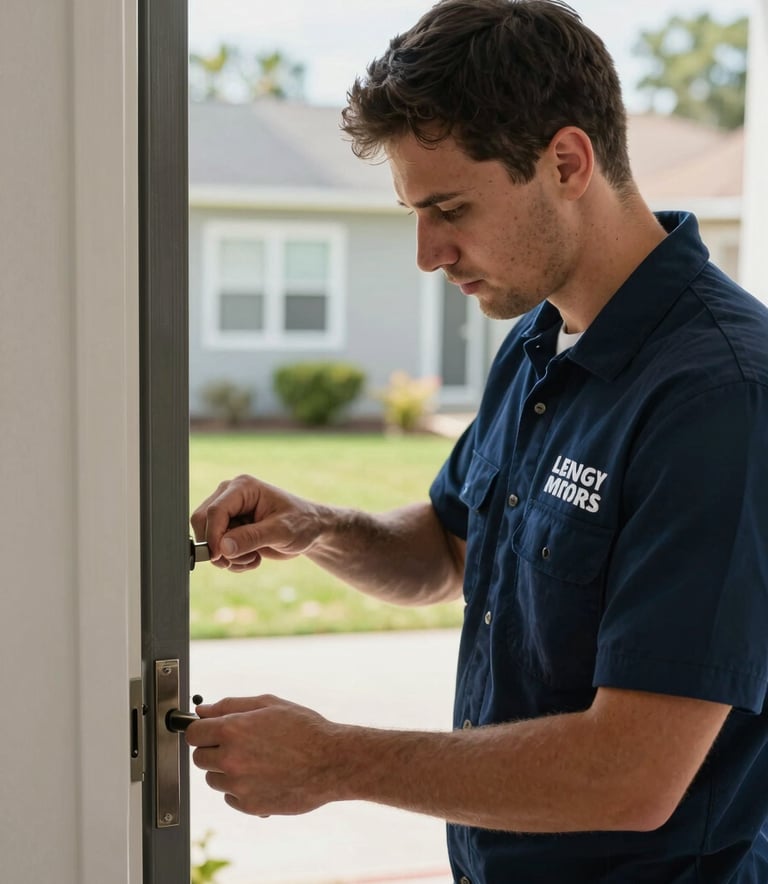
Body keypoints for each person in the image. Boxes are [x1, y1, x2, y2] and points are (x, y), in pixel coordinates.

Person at [186, 1, 768, 880]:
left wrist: (332, 759)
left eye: (450, 207)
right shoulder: (538, 341)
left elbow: (634, 773)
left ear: (567, 162)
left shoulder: (724, 397)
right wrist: (321, 527)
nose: (427, 253)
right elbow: (452, 551)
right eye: (414, 211)